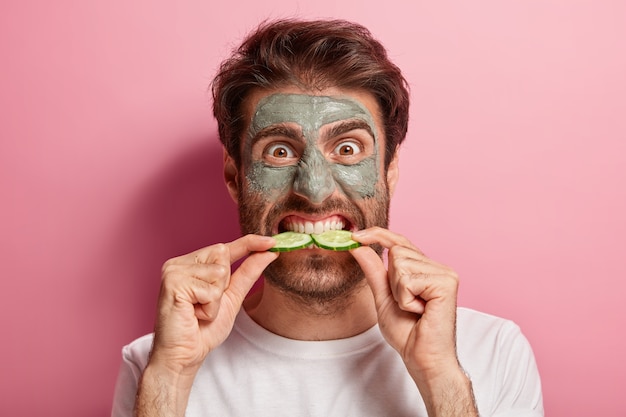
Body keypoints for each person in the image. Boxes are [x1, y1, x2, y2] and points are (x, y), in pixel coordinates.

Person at [111, 18, 543, 417]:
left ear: (389, 173)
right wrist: (170, 378)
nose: (314, 190)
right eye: (279, 151)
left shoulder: (491, 352)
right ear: (235, 176)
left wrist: (438, 377)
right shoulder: (159, 365)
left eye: (348, 149)